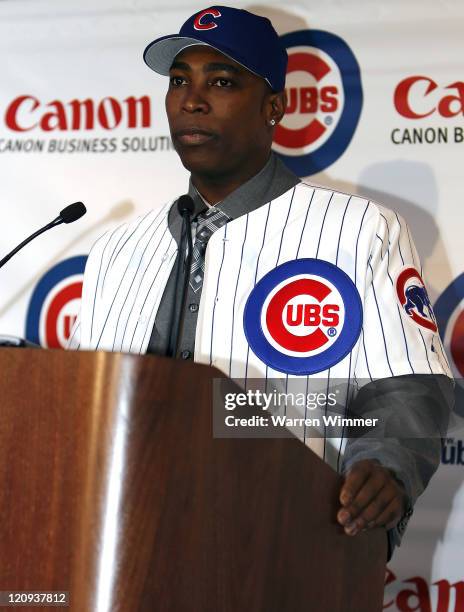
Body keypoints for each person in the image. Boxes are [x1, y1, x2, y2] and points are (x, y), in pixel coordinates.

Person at [68, 5, 452, 558]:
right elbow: (86, 403)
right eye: (179, 82)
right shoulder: (115, 250)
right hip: (123, 544)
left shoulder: (358, 229)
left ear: (275, 106)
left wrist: (384, 465)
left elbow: (408, 387)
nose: (191, 100)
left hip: (285, 547)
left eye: (222, 82)